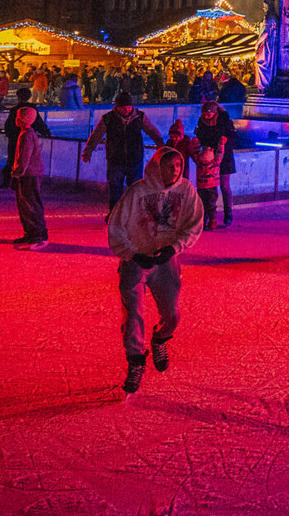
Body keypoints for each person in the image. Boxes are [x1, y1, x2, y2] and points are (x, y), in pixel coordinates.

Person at [108, 145, 204, 394]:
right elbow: (116, 227)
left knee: (172, 314)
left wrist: (173, 248)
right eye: (169, 165)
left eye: (178, 165)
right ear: (157, 166)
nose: (174, 170)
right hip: (136, 261)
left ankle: (160, 338)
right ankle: (135, 360)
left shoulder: (186, 191)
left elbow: (194, 224)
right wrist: (133, 253)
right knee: (132, 315)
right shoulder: (137, 192)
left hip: (165, 262)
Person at [85, 92, 165, 216]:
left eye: (128, 107)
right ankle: (114, 214)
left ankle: (135, 214)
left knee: (136, 189)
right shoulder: (108, 118)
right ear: (117, 107)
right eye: (123, 107)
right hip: (115, 159)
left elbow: (151, 130)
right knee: (115, 188)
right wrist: (88, 150)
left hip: (135, 158)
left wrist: (160, 143)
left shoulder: (139, 116)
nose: (126, 110)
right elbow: (97, 135)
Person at [7, 101, 48, 249]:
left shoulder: (27, 135)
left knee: (30, 204)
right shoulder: (26, 134)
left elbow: (23, 158)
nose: (16, 119)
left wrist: (16, 173)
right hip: (29, 173)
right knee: (27, 205)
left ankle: (37, 236)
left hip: (29, 175)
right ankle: (31, 234)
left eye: (19, 117)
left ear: (24, 119)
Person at [192, 100, 238, 227]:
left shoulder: (224, 121)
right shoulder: (202, 122)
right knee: (209, 188)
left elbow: (234, 137)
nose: (206, 117)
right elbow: (200, 136)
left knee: (224, 186)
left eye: (208, 114)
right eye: (204, 114)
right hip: (209, 158)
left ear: (214, 113)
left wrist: (224, 142)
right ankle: (208, 216)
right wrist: (199, 143)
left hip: (224, 157)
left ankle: (228, 213)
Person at [194, 145, 222, 230]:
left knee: (210, 205)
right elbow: (220, 154)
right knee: (205, 205)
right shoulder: (203, 163)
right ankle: (205, 221)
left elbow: (220, 154)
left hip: (208, 186)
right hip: (205, 186)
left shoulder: (213, 163)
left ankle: (211, 220)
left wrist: (221, 145)